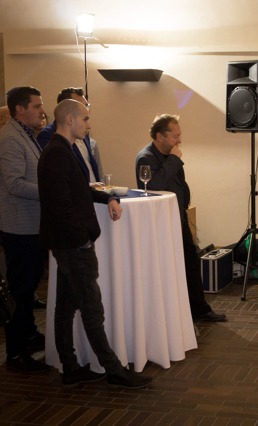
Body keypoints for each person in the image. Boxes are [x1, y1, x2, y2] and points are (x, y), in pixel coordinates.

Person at [38, 99, 152, 388]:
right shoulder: (56, 154)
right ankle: (113, 369)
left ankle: (71, 368)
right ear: (69, 119)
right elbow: (60, 205)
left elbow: (81, 190)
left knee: (66, 306)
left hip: (70, 244)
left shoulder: (66, 150)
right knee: (92, 308)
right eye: (85, 119)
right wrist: (82, 239)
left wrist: (108, 197)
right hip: (73, 245)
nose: (88, 124)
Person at [135, 114, 227, 323]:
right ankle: (176, 312)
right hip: (160, 223)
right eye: (175, 136)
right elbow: (152, 185)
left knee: (191, 262)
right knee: (173, 267)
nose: (179, 140)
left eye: (179, 135)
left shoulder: (169, 154)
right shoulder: (146, 157)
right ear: (160, 136)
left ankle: (198, 310)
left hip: (178, 217)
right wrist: (175, 160)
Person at [0, 86, 49, 373]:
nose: (42, 110)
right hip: (19, 227)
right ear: (20, 109)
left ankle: (29, 336)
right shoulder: (9, 139)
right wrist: (51, 189)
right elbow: (15, 185)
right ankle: (16, 354)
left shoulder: (25, 135)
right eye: (37, 105)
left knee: (29, 287)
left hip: (32, 225)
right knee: (20, 291)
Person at [37, 87, 103, 183]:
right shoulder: (49, 139)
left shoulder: (81, 131)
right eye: (79, 105)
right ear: (69, 117)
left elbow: (90, 167)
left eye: (86, 105)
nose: (89, 126)